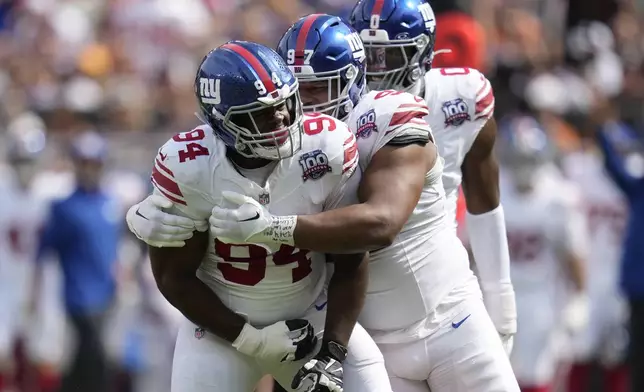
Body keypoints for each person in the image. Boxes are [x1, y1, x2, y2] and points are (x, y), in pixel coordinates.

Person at [127, 13, 519, 392]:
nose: (291, 114)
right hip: (335, 320)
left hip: (436, 309)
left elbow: (379, 226)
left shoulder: (370, 121)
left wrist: (272, 229)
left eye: (314, 89)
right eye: (298, 88)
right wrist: (156, 208)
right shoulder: (248, 146)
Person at [139, 41, 390, 392]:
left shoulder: (326, 147)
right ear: (223, 121)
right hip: (217, 332)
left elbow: (351, 256)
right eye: (261, 112)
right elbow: (173, 278)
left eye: (284, 104)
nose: (281, 118)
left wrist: (333, 351)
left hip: (310, 320)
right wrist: (251, 340)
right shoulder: (189, 166)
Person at [349, 0, 516, 355]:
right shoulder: (339, 110)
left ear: (422, 52)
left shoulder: (462, 99)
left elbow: (485, 205)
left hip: (444, 286)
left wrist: (501, 300)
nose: (376, 71)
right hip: (361, 293)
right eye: (369, 55)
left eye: (388, 56)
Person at [496, 115, 588, 392]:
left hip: (542, 295)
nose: (523, 166)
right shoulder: (494, 189)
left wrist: (579, 298)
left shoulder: (560, 196)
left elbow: (573, 252)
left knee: (537, 377)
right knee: (498, 376)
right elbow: (470, 247)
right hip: (498, 292)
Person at [38, 130, 120, 392]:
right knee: (83, 369)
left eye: (93, 163)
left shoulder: (111, 203)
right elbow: (45, 256)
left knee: (104, 367)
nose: (89, 169)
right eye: (83, 162)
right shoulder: (63, 207)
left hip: (109, 299)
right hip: (77, 300)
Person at [563, 117, 629, 392]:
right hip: (585, 274)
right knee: (577, 350)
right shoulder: (578, 170)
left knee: (617, 352)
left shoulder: (633, 178)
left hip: (618, 276)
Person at [591, 99, 644, 392]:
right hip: (637, 290)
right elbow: (614, 167)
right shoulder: (639, 188)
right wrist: (602, 130)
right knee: (635, 356)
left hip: (637, 286)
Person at [0, 113, 48, 391]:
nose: (25, 168)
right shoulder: (3, 191)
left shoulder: (52, 191)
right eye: (21, 161)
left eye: (29, 161)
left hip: (38, 283)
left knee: (43, 355)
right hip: (5, 281)